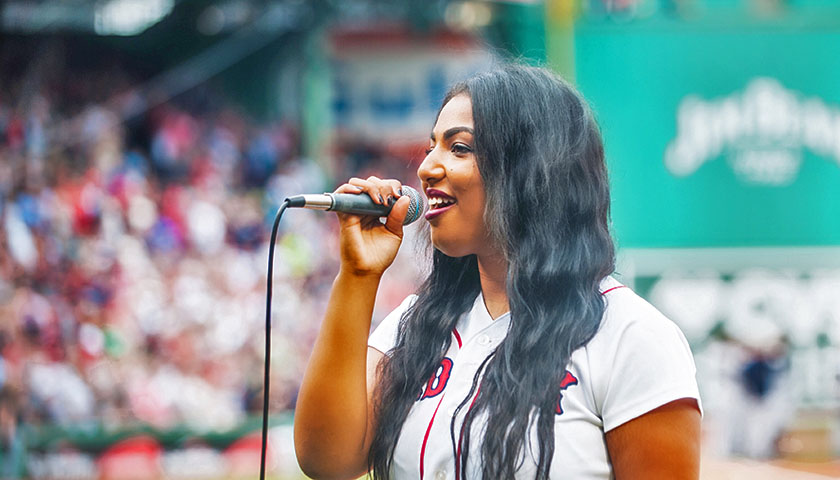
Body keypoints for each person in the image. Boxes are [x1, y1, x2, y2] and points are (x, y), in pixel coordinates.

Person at [294, 65, 702, 479]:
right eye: (432, 145)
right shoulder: (418, 323)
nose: (426, 168)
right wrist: (358, 276)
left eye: (459, 148)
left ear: (531, 170)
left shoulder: (632, 336)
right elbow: (327, 461)